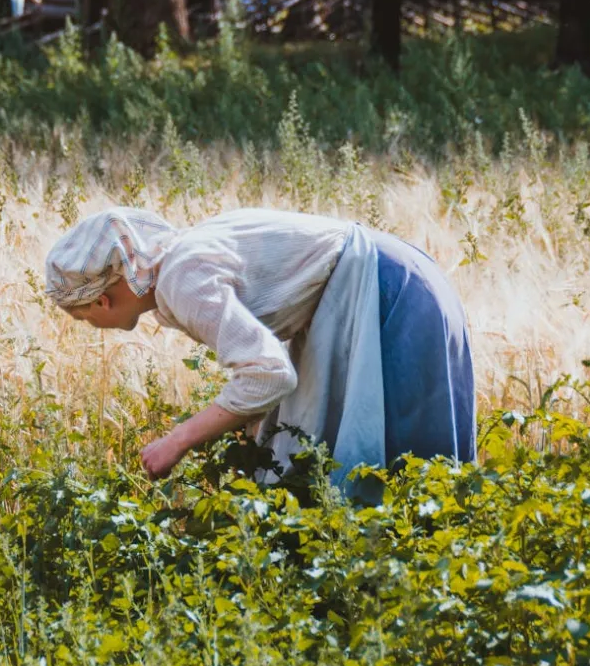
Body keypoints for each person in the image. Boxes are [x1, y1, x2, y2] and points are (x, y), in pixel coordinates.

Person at [44, 205, 476, 496]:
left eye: (82, 318)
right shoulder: (183, 263)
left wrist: (178, 441)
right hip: (403, 276)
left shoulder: (181, 279)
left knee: (409, 474)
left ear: (100, 300)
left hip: (390, 296)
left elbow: (269, 374)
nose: (91, 327)